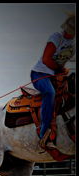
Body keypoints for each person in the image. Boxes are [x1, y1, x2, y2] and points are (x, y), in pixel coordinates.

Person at [31, 12, 75, 150]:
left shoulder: (72, 44)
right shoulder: (56, 37)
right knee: (49, 93)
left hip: (55, 76)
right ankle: (44, 134)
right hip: (40, 74)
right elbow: (46, 59)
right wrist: (60, 69)